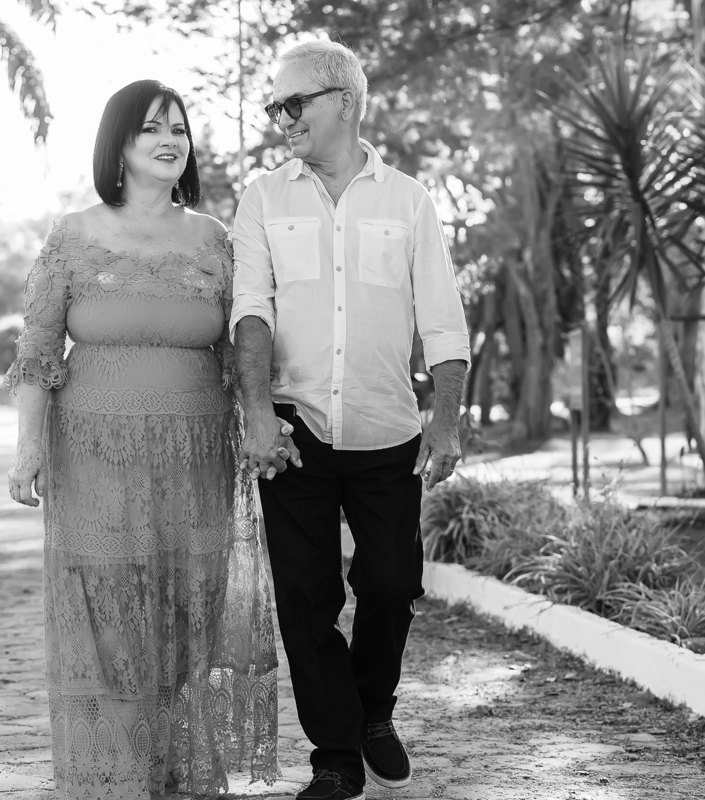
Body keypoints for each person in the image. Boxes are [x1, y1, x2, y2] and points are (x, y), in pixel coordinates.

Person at [5, 79, 278, 800]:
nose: (169, 140)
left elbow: (241, 350)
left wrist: (263, 422)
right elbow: (37, 349)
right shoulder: (74, 234)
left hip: (197, 460)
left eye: (179, 130)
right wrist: (29, 446)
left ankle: (173, 763)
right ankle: (123, 772)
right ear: (118, 145)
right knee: (113, 609)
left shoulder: (215, 240)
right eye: (152, 128)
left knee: (190, 609)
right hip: (94, 458)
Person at [231, 41, 471, 800]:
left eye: (292, 102)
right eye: (274, 105)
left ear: (343, 101)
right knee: (306, 600)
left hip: (386, 426)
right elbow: (251, 310)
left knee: (393, 583)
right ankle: (335, 756)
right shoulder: (264, 198)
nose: (281, 118)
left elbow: (443, 321)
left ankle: (373, 711)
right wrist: (257, 414)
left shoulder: (409, 201)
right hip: (294, 430)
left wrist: (445, 422)